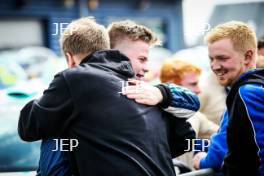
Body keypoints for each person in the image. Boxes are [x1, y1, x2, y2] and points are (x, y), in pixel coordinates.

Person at [18, 18, 198, 176]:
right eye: (142, 59)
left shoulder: (74, 78)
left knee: (56, 127)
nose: (147, 67)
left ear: (70, 59)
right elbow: (185, 139)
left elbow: (28, 127)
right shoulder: (147, 92)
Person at [199, 21, 264, 176]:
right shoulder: (251, 87)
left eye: (222, 58)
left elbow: (260, 152)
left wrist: (201, 160)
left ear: (248, 57)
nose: (214, 66)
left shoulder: (247, 93)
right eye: (211, 59)